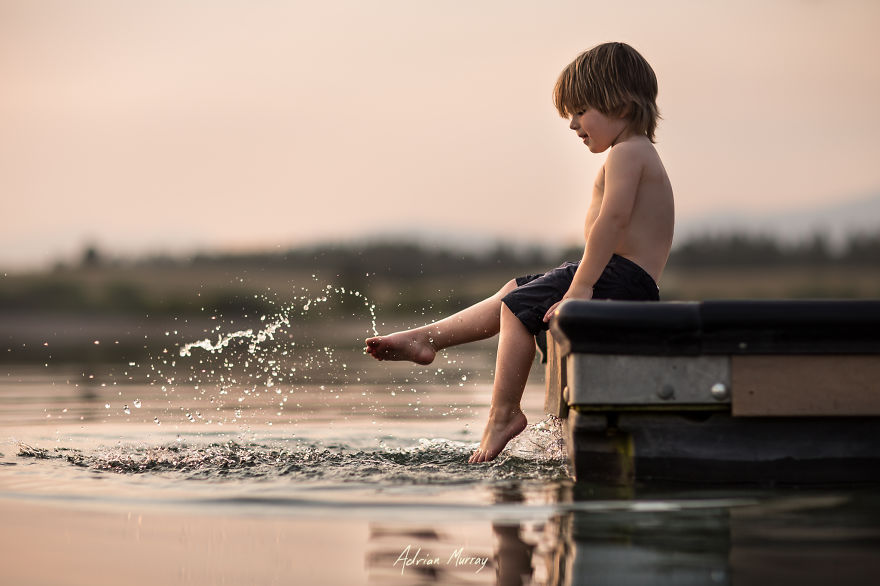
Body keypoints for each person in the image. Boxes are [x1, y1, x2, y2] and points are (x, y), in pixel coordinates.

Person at [365, 42, 675, 463]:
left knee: (516, 307)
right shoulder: (638, 152)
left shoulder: (627, 153)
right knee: (514, 290)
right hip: (622, 279)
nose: (572, 125)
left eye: (580, 111)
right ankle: (427, 338)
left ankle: (504, 414)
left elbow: (613, 222)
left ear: (619, 104)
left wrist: (580, 286)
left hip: (618, 279)